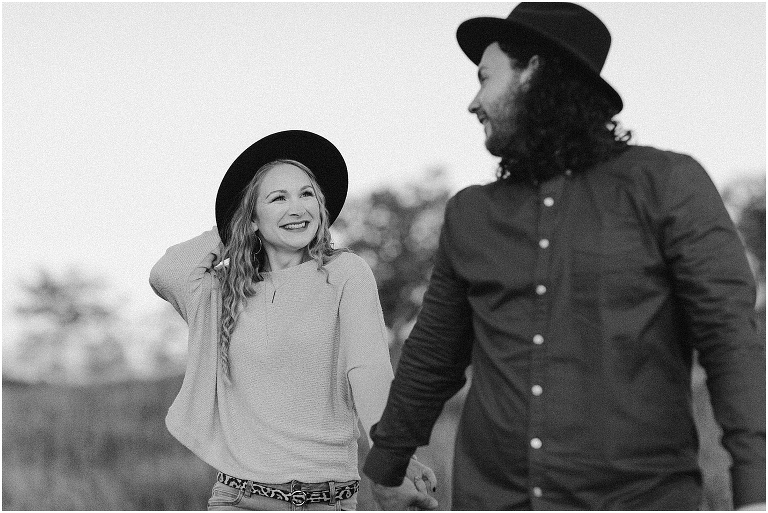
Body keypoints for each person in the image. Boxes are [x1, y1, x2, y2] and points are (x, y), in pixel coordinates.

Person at [362, 3, 765, 510]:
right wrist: (386, 465)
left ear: (534, 70)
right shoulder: (471, 213)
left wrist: (756, 493)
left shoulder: (667, 183)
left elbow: (729, 337)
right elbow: (433, 355)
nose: (473, 102)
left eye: (485, 78)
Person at [149, 130, 436, 511]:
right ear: (252, 217)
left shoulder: (345, 273)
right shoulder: (223, 290)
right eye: (278, 198)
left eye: (306, 194)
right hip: (238, 500)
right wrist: (235, 225)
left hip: (327, 500)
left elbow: (367, 369)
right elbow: (168, 271)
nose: (298, 208)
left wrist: (391, 458)